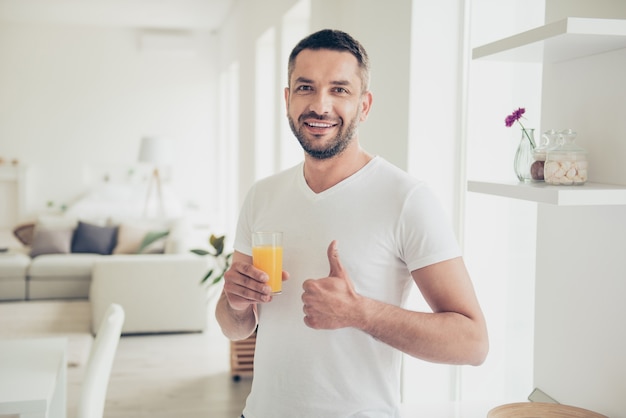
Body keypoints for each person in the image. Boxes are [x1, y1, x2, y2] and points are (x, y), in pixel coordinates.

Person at [216, 28, 489, 418]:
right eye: (305, 87)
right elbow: (233, 327)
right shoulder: (263, 195)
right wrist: (236, 302)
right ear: (287, 98)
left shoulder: (406, 199)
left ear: (364, 105)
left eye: (340, 89)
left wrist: (359, 312)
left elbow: (473, 342)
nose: (320, 105)